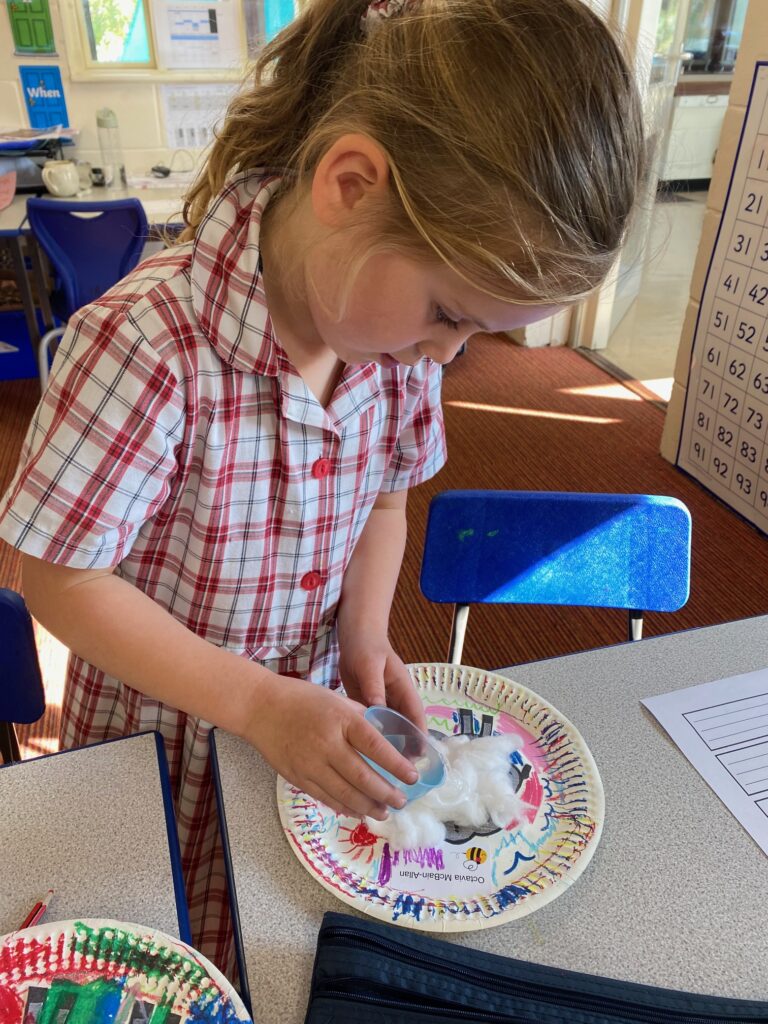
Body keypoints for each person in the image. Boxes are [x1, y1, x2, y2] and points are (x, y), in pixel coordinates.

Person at [0, 0, 647, 972]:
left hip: (302, 739)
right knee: (178, 961)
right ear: (350, 183)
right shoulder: (145, 345)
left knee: (283, 954)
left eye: (475, 332)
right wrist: (255, 703)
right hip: (159, 747)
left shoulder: (393, 350)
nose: (449, 352)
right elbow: (60, 576)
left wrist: (364, 628)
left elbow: (385, 500)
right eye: (447, 312)